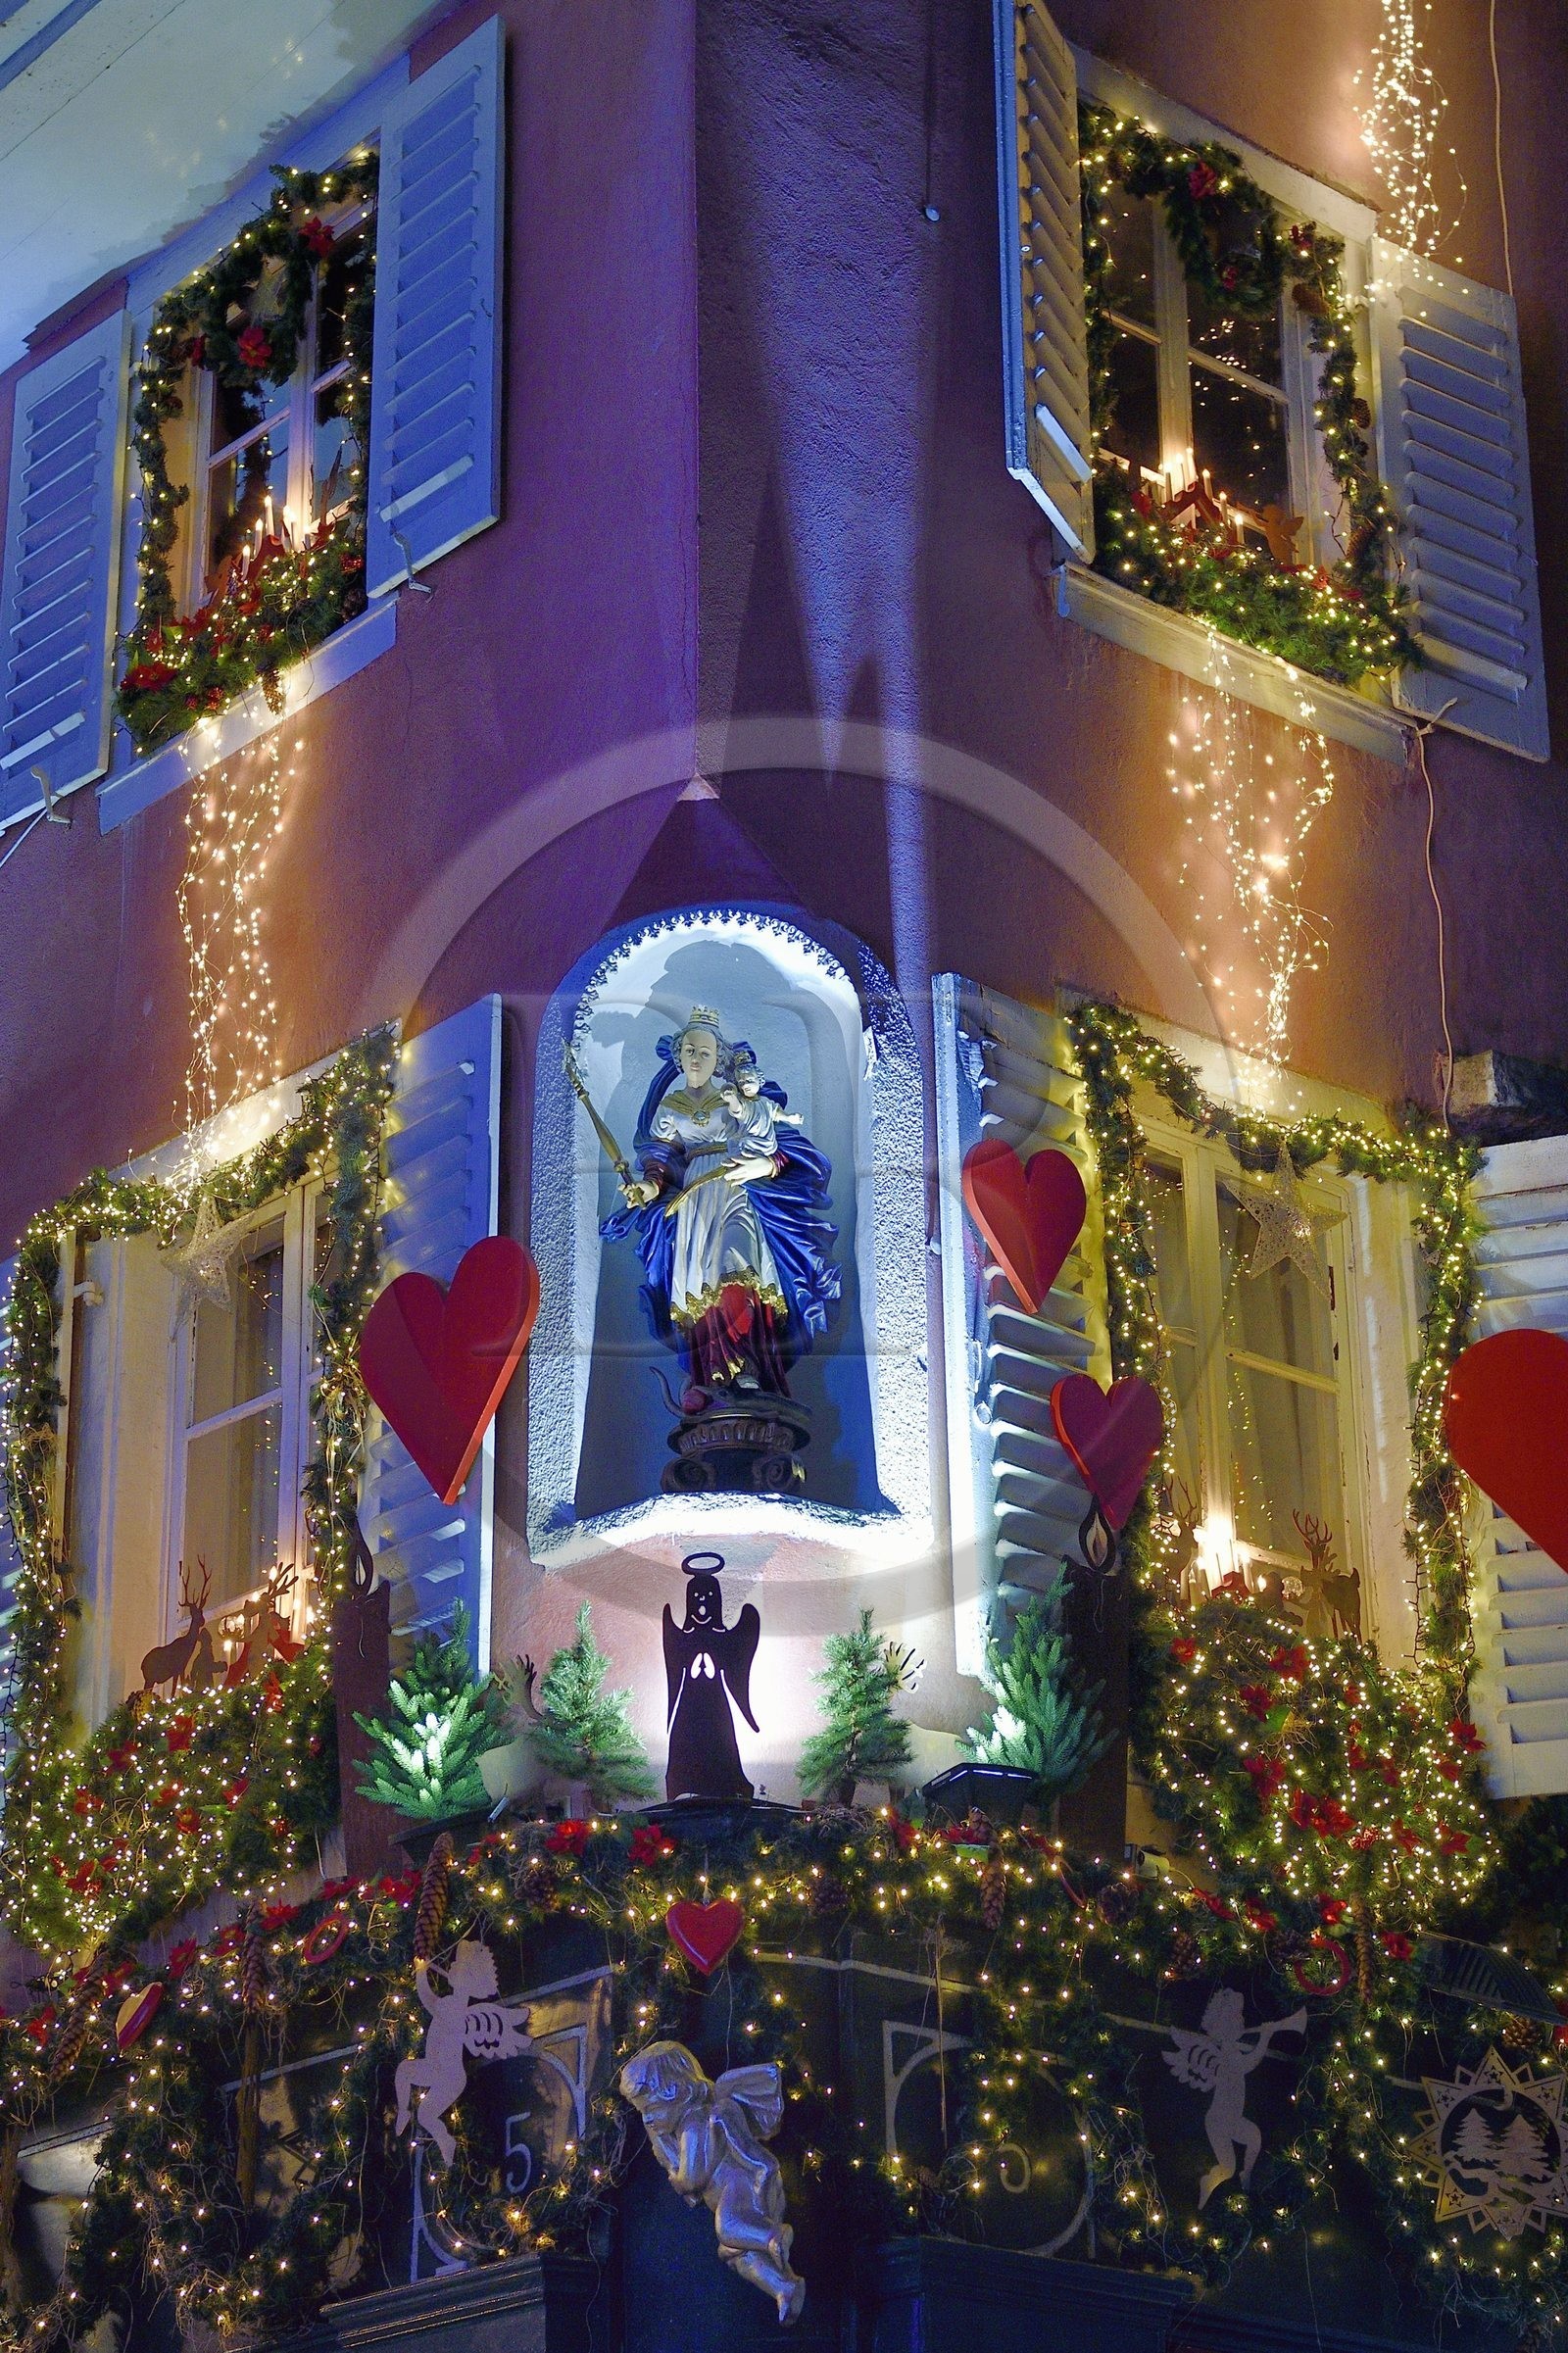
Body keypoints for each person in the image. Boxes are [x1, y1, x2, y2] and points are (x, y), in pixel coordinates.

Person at [601, 1008, 839, 1410]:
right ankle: (711, 1374)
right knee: (702, 1282)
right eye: (690, 1050)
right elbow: (660, 1163)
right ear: (679, 1057)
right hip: (693, 1199)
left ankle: (748, 1364)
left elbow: (774, 1143)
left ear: (718, 1059)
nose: (696, 1059)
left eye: (706, 1053)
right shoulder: (670, 1108)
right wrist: (646, 1186)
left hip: (735, 1186)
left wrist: (767, 1165)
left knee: (737, 1258)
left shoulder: (739, 1099)